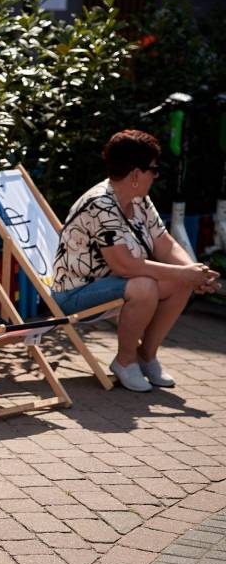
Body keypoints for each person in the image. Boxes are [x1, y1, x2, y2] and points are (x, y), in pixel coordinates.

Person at [51, 130, 221, 392]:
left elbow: (165, 243)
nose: (156, 175)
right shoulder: (100, 204)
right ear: (135, 174)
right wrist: (184, 273)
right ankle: (125, 361)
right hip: (74, 294)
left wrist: (195, 272)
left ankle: (146, 356)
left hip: (112, 285)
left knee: (179, 282)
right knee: (145, 286)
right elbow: (125, 266)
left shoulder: (138, 199)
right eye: (153, 169)